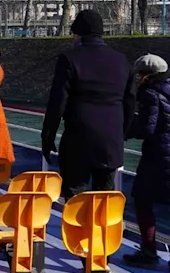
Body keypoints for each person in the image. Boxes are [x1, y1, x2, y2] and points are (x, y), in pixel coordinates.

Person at [41, 10, 136, 199]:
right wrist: (121, 133)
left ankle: (78, 229)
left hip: (78, 139)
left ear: (78, 33)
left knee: (75, 196)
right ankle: (101, 229)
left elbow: (58, 102)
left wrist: (48, 135)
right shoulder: (121, 61)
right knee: (105, 200)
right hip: (111, 142)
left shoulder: (70, 58)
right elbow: (130, 101)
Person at [122, 54, 170, 273]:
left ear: (146, 75)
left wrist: (125, 129)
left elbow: (148, 127)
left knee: (143, 200)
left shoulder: (152, 93)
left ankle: (149, 252)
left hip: (159, 154)